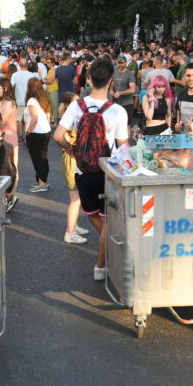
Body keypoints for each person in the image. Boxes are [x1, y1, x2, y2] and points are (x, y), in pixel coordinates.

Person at [52, 58, 129, 282]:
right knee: (108, 221)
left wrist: (71, 149)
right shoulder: (117, 111)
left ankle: (105, 249)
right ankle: (100, 265)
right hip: (108, 170)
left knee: (92, 214)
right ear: (111, 81)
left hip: (82, 170)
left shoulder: (77, 105)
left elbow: (57, 136)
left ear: (89, 79)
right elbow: (123, 146)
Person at [57, 93, 89, 244]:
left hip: (73, 158)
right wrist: (69, 147)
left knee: (78, 197)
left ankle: (74, 225)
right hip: (71, 159)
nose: (80, 104)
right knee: (75, 198)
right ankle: (69, 233)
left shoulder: (70, 117)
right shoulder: (68, 119)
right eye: (76, 102)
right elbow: (58, 137)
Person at [23, 78, 53, 192]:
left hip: (36, 132)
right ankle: (42, 181)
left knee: (37, 159)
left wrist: (28, 132)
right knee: (43, 157)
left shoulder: (31, 100)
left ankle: (41, 184)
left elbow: (34, 118)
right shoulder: (43, 98)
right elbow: (48, 115)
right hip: (46, 131)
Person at [111, 55, 138, 123]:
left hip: (127, 103)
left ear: (126, 63)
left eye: (122, 63)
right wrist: (111, 90)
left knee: (127, 124)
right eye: (119, 63)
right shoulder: (115, 70)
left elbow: (132, 89)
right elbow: (113, 83)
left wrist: (120, 93)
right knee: (116, 123)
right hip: (116, 102)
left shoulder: (130, 74)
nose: (120, 65)